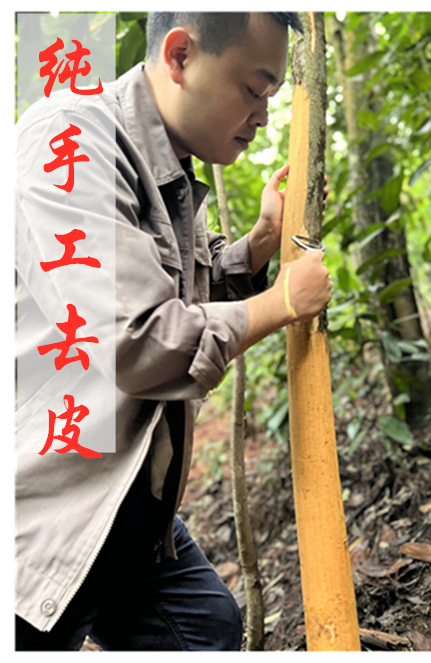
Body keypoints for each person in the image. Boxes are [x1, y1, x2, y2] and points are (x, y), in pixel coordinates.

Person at [15, 12, 331, 650]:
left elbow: (180, 290)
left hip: (128, 507)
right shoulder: (69, 144)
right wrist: (279, 305)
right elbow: (137, 339)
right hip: (49, 510)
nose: (263, 118)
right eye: (253, 89)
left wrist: (261, 244)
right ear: (180, 55)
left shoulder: (166, 163)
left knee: (203, 625)